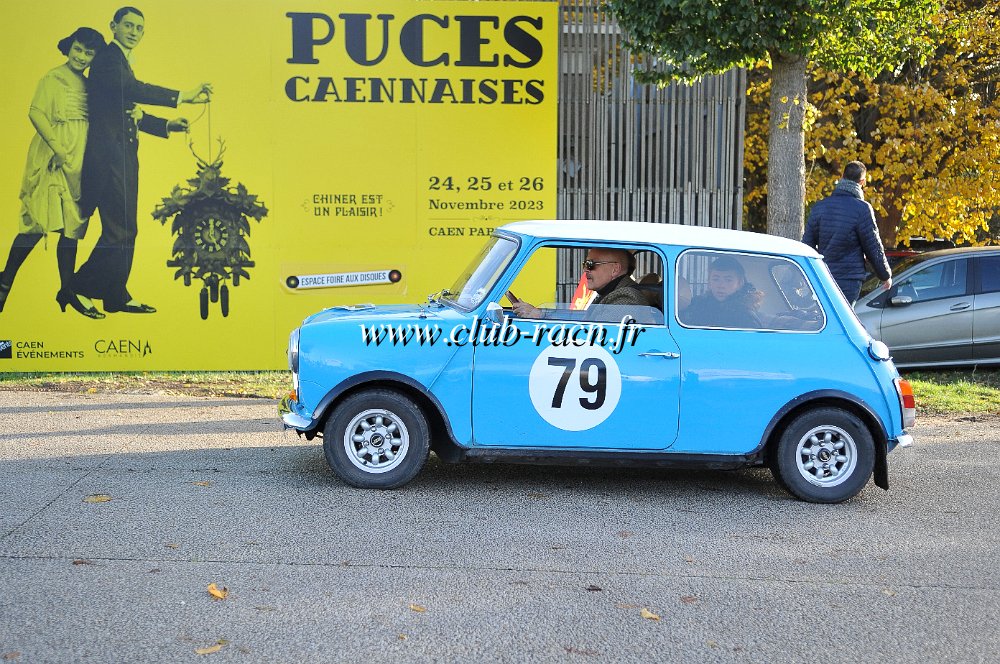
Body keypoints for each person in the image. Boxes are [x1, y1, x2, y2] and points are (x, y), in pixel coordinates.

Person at [72, 6, 212, 314]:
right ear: (113, 26)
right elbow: (131, 90)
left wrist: (165, 125)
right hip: (109, 158)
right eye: (128, 25)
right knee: (119, 230)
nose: (134, 32)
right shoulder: (108, 58)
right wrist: (183, 96)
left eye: (139, 28)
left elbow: (125, 110)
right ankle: (77, 287)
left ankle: (115, 294)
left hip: (121, 156)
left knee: (125, 228)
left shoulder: (121, 61)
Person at [0, 28, 107, 317]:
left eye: (88, 53)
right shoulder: (53, 77)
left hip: (79, 157)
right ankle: (5, 280)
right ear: (68, 47)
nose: (81, 56)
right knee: (38, 222)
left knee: (72, 224)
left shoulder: (89, 84)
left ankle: (67, 289)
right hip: (54, 154)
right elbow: (35, 112)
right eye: (78, 49)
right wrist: (58, 150)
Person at [802, 161, 892, 304]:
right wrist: (885, 275)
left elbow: (807, 245)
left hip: (823, 275)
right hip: (849, 278)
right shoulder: (862, 209)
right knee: (844, 315)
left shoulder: (820, 207)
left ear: (842, 176)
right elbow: (872, 246)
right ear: (862, 182)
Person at [511, 247, 648, 319]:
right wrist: (540, 313)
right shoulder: (611, 293)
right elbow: (582, 319)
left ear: (615, 269)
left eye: (591, 264)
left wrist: (539, 316)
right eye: (585, 264)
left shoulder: (627, 298)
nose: (585, 269)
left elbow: (593, 333)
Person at [682, 255, 761, 328]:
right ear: (709, 282)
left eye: (728, 280)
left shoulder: (746, 318)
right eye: (716, 279)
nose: (721, 285)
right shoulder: (697, 306)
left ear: (740, 283)